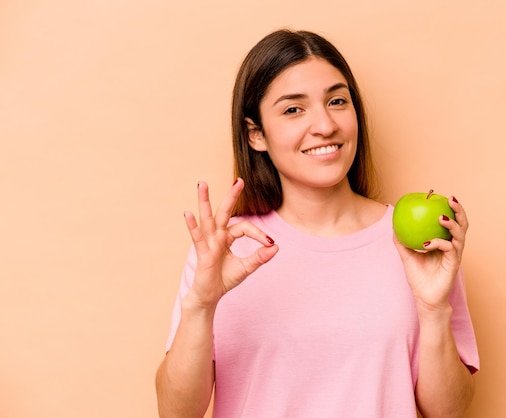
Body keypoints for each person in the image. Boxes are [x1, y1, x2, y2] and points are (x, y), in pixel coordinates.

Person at [155, 28, 479, 418]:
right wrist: (201, 305)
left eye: (337, 101)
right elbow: (176, 412)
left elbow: (449, 413)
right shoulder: (227, 249)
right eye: (294, 109)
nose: (325, 125)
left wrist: (433, 310)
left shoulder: (415, 245)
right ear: (256, 134)